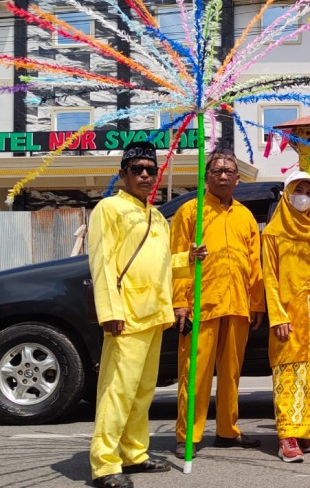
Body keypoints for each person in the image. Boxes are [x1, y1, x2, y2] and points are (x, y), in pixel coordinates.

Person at [88, 141, 204, 488]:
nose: (144, 174)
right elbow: (102, 262)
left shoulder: (156, 215)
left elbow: (161, 266)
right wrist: (109, 311)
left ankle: (133, 453)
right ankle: (105, 464)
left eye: (150, 170)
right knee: (117, 391)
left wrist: (188, 259)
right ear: (122, 174)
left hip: (154, 313)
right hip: (125, 315)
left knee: (142, 391)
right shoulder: (108, 208)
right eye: (136, 169)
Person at [171, 148, 265, 459]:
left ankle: (228, 430)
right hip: (201, 303)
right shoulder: (190, 212)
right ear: (206, 177)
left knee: (231, 373)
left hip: (237, 303)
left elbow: (254, 262)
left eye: (229, 171)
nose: (223, 175)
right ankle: (190, 435)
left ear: (238, 179)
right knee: (195, 372)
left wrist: (256, 303)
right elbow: (174, 262)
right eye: (217, 171)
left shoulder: (245, 215)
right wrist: (180, 303)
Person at [262, 170, 310, 463]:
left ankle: (306, 430)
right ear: (287, 193)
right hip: (289, 314)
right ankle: (287, 436)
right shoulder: (273, 233)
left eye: (309, 191)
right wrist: (278, 317)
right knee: (289, 373)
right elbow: (269, 278)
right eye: (299, 190)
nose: (304, 196)